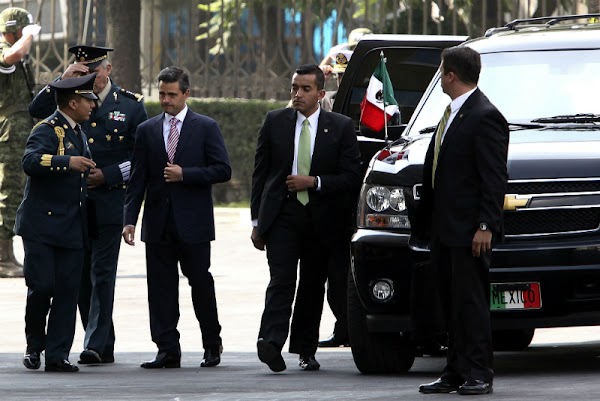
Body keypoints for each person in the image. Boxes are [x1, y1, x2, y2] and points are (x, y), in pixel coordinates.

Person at [29, 45, 148, 365]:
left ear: (107, 70)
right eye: (80, 73)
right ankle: (102, 341)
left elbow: (141, 158)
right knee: (77, 275)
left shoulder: (131, 105)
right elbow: (37, 110)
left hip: (108, 199)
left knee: (102, 271)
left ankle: (94, 343)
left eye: (92, 73)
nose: (88, 79)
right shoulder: (71, 97)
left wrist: (107, 175)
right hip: (74, 204)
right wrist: (61, 79)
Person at [251, 64, 361, 372]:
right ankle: (270, 342)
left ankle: (305, 348)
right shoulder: (275, 121)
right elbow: (260, 174)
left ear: (320, 94)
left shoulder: (340, 126)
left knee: (313, 286)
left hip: (323, 220)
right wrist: (257, 222)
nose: (298, 94)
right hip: (283, 216)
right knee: (281, 280)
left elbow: (352, 177)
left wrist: (315, 182)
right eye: (294, 88)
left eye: (305, 89)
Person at [413, 46, 509, 395]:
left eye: (442, 70)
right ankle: (454, 371)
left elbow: (494, 177)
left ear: (451, 75)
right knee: (450, 303)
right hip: (444, 228)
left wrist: (486, 225)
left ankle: (479, 371)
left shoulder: (485, 116)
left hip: (469, 231)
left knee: (471, 303)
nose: (439, 76)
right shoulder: (452, 113)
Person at [122, 66, 231, 369]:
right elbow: (138, 178)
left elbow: (223, 170)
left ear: (186, 94)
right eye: (161, 94)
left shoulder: (205, 127)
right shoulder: (147, 129)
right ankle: (167, 349)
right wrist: (130, 219)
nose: (166, 100)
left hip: (193, 223)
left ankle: (212, 343)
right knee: (160, 289)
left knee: (200, 283)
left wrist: (187, 175)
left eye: (172, 95)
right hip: (158, 224)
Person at [16, 73, 98, 372]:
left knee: (67, 291)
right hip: (41, 225)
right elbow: (30, 161)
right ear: (73, 102)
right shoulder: (47, 128)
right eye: (88, 100)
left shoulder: (78, 131)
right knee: (42, 286)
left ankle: (58, 355)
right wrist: (67, 163)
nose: (93, 104)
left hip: (71, 225)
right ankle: (34, 345)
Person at [0, 7, 40, 278]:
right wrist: (27, 35)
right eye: (23, 31)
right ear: (15, 30)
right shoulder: (5, 48)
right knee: (9, 191)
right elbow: (13, 56)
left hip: (20, 128)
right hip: (10, 131)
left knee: (19, 190)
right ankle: (3, 258)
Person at [317, 49, 353, 349]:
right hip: (329, 200)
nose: (341, 79)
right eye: (338, 74)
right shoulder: (325, 102)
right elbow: (291, 119)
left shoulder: (374, 101)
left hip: (356, 197)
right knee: (333, 276)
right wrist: (318, 77)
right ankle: (344, 326)